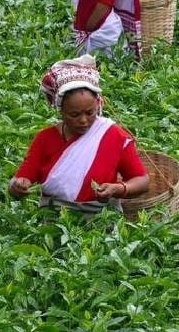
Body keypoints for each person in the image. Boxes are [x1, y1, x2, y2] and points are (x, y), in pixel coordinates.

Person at [8, 55, 149, 214]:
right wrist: (18, 186)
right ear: (61, 110)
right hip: (55, 221)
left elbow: (142, 181)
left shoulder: (114, 135)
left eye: (90, 113)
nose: (83, 120)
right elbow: (22, 178)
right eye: (74, 115)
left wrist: (119, 188)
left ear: (98, 105)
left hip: (102, 222)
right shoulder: (45, 139)